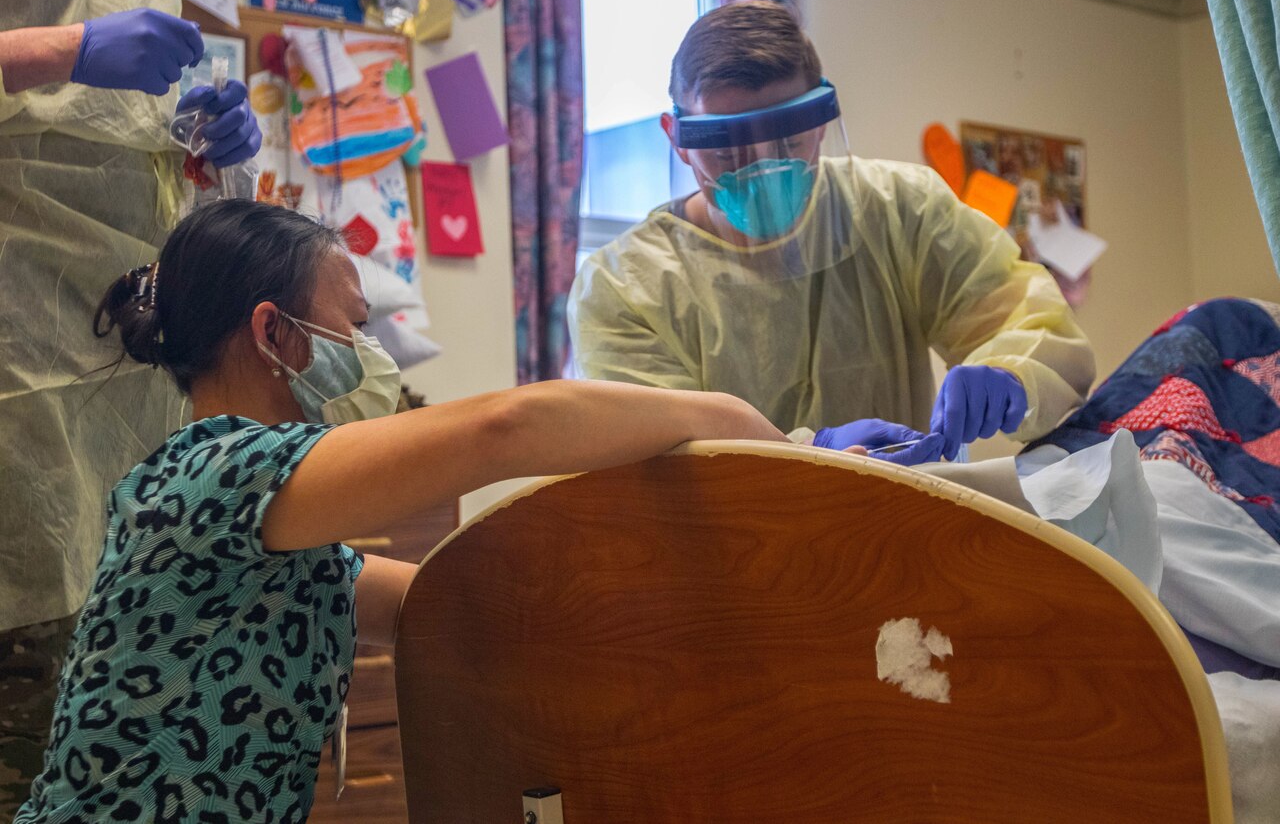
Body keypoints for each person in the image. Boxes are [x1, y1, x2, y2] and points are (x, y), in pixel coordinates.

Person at [15, 200, 787, 821]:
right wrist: (739, 423)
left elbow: (448, 601)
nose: (370, 351)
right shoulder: (215, 474)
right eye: (354, 326)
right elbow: (506, 428)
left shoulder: (275, 538)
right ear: (272, 332)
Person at [568, 0, 1095, 466]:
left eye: (787, 141)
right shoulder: (622, 290)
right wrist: (802, 451)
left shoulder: (897, 210)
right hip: (729, 557)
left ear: (820, 120)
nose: (764, 169)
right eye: (728, 149)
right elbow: (652, 458)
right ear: (677, 139)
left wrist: (1010, 375)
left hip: (906, 530)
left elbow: (1030, 321)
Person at [0, 0, 262, 813]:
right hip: (15, 336)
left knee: (118, 736)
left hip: (128, 360)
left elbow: (140, 133)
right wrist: (59, 50)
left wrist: (217, 145)